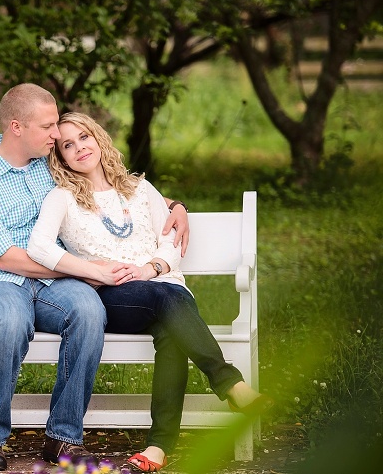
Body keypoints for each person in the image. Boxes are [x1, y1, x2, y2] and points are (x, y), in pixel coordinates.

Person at [0, 84, 191, 471]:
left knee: (89, 310)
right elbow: (8, 258)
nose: (56, 135)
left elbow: (112, 188)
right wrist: (88, 271)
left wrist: (174, 205)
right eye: (47, 127)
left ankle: (63, 437)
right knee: (12, 320)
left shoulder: (49, 165)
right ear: (16, 127)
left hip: (52, 285)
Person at [27, 112, 273, 473]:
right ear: (61, 157)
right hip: (113, 297)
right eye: (67, 145)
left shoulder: (139, 188)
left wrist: (151, 268)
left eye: (84, 137)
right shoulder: (63, 198)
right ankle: (229, 384)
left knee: (170, 323)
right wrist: (94, 271)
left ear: (98, 139)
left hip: (162, 290)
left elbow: (171, 239)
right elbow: (39, 247)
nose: (79, 148)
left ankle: (157, 448)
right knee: (168, 301)